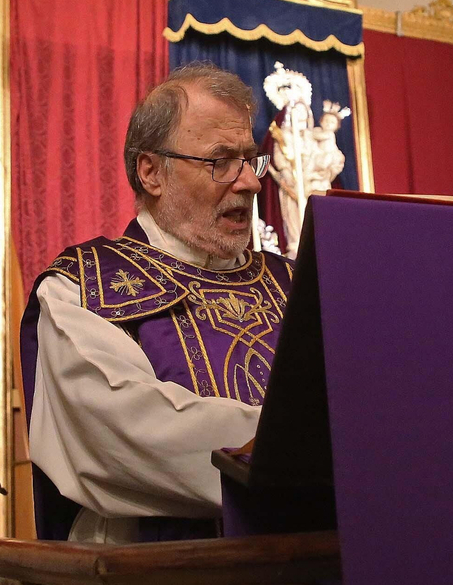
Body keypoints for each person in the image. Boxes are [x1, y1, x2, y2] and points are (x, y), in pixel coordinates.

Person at [20, 63, 293, 543]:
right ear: (152, 172)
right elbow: (127, 434)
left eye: (250, 161)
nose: (249, 183)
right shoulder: (84, 288)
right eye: (220, 162)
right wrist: (321, 448)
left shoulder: (295, 284)